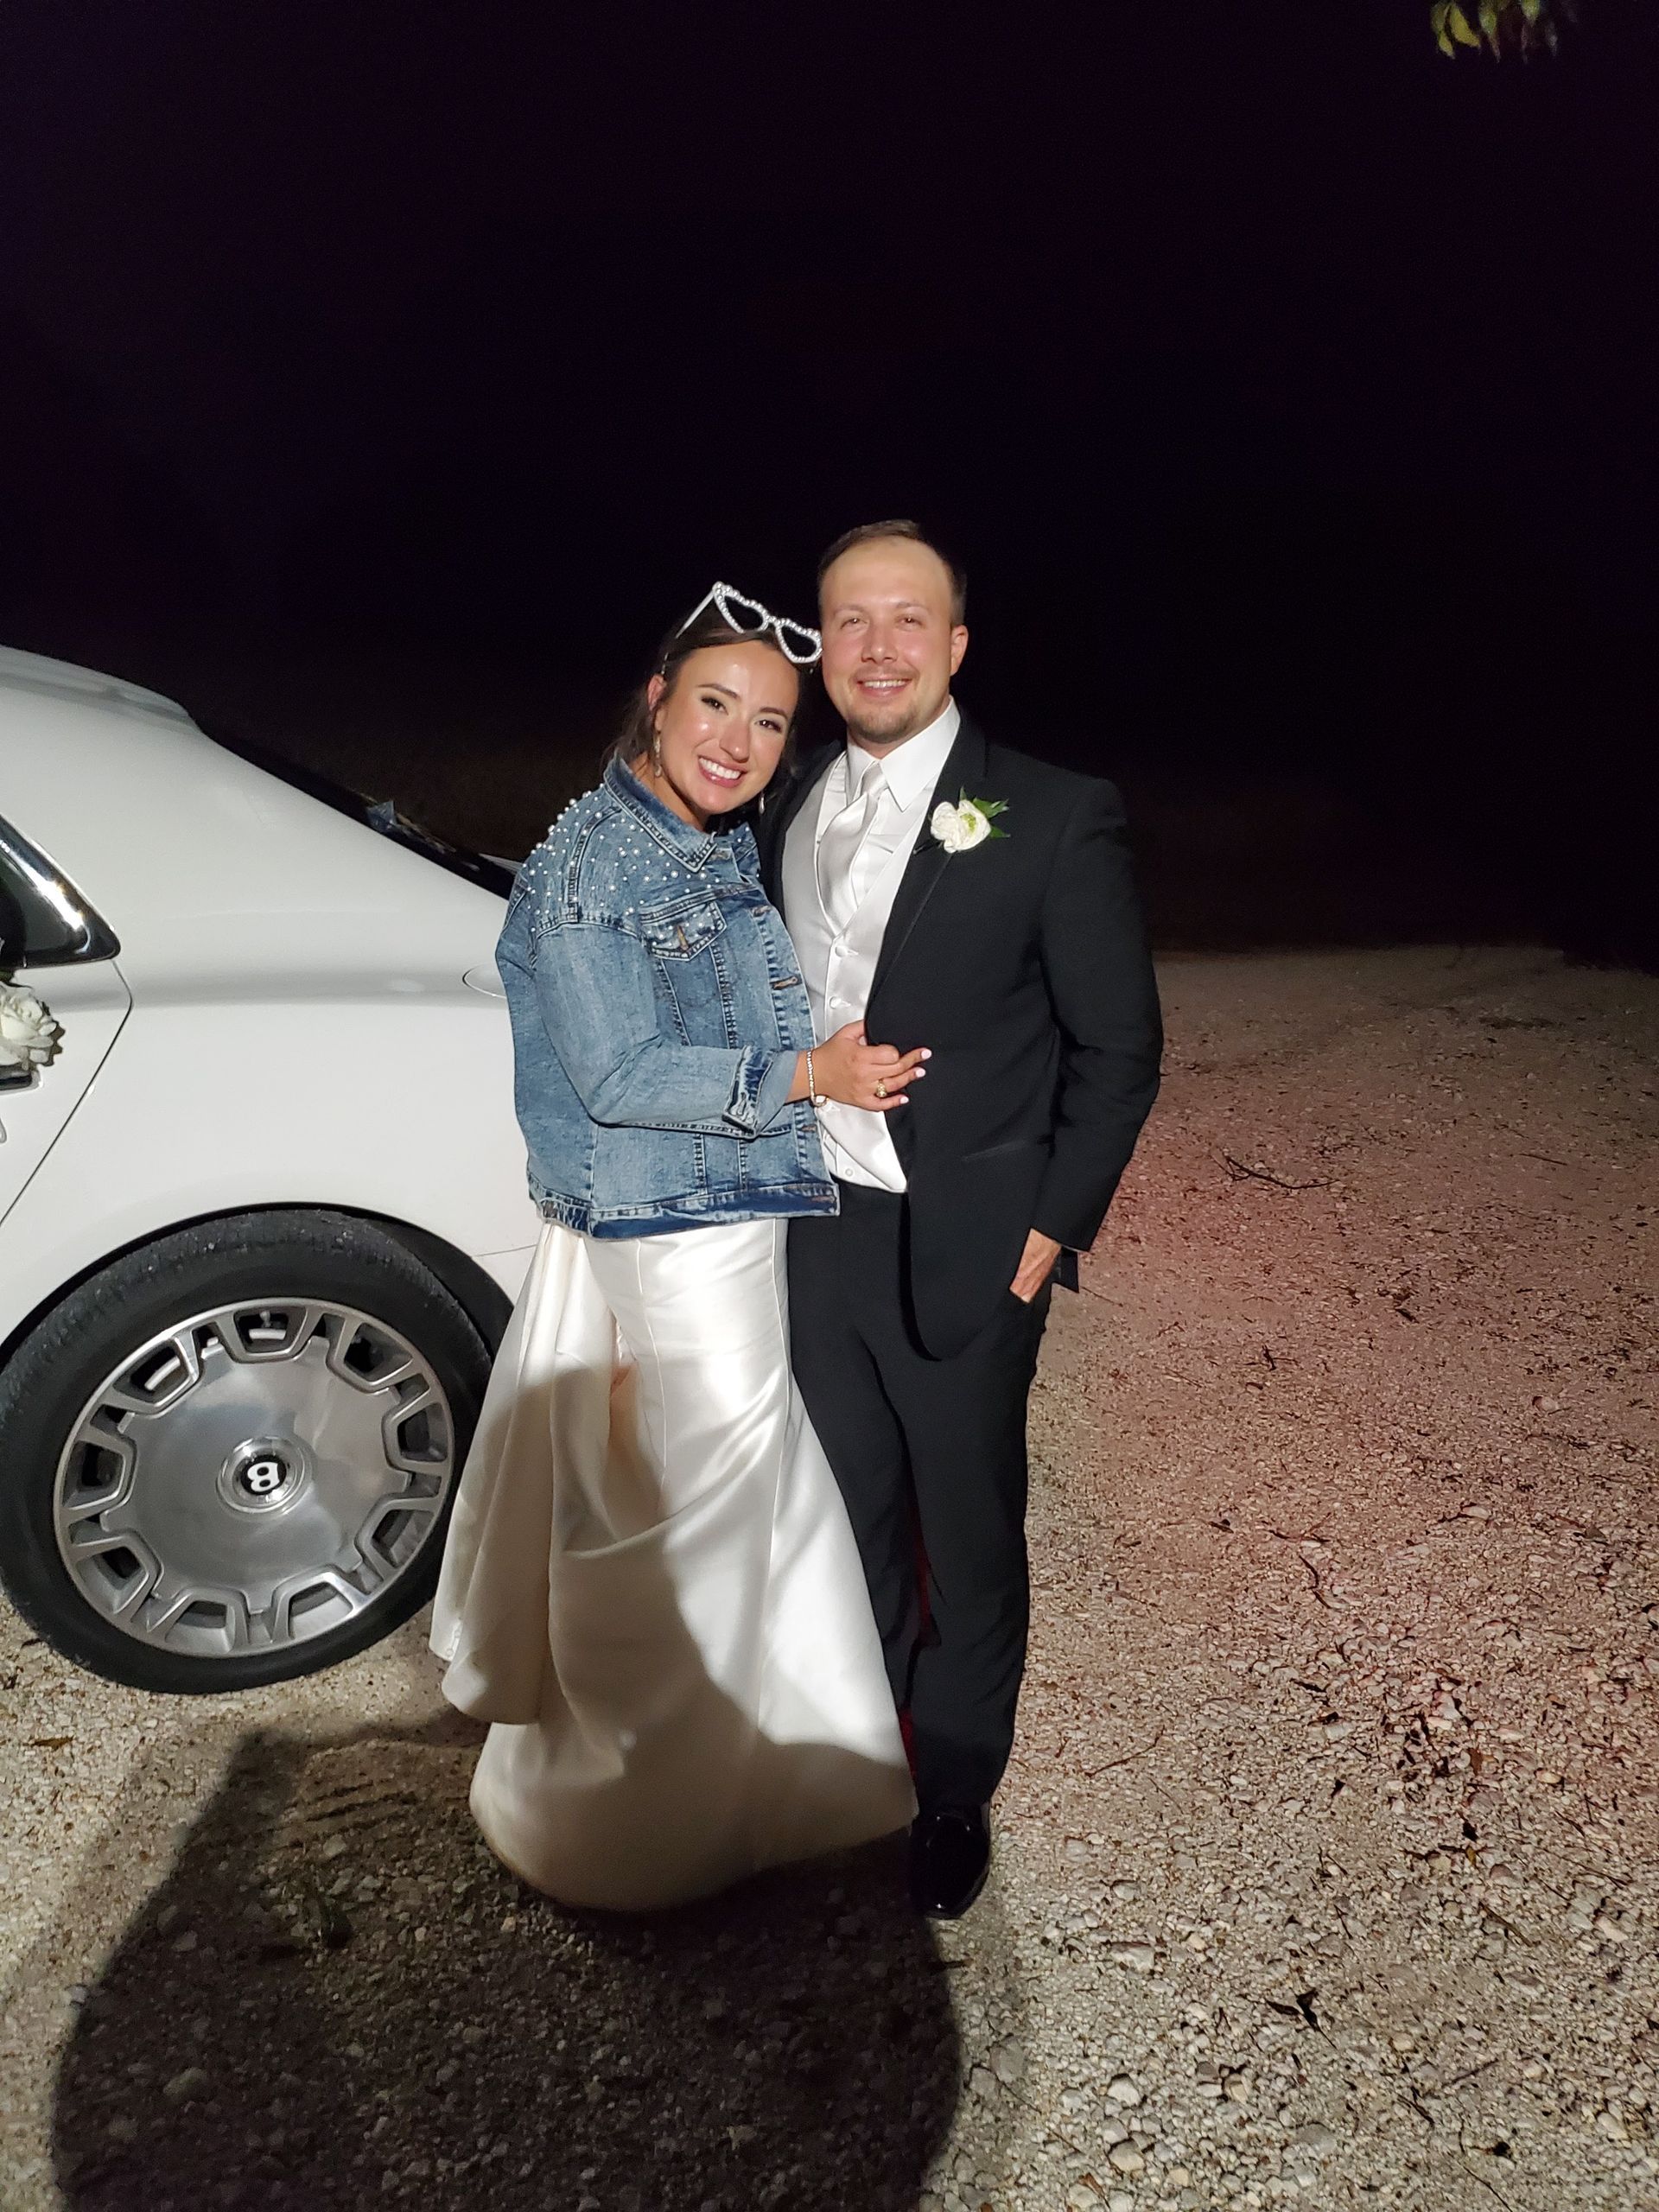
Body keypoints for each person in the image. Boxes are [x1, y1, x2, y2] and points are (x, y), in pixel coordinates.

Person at [431, 587, 920, 1910]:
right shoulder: (604, 861)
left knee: (697, 1499)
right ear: (658, 699)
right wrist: (809, 1074)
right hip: (678, 1225)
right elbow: (620, 1073)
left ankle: (711, 1793)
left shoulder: (691, 839)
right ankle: (643, 1828)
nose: (740, 742)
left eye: (769, 723)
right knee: (703, 1514)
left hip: (709, 1211)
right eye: (716, 704)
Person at [763, 522, 1162, 1919]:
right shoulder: (787, 793)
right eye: (849, 622)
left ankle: (952, 1789)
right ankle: (865, 1746)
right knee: (848, 1505)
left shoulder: (1051, 812)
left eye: (907, 621)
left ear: (956, 645)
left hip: (972, 1238)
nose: (876, 649)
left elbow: (1120, 1048)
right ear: (821, 644)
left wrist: (1053, 1225)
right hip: (811, 1225)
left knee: (970, 1526)